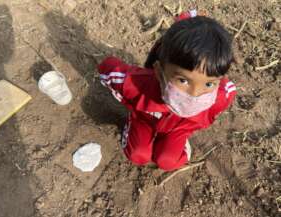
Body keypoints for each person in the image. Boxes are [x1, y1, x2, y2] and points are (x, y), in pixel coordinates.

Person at [97, 10, 236, 171]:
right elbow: (109, 69)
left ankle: (179, 144)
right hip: (144, 120)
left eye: (209, 84)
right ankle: (132, 123)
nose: (195, 94)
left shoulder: (221, 96)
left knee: (168, 160)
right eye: (183, 81)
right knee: (137, 154)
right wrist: (104, 74)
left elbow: (229, 90)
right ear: (158, 71)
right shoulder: (138, 85)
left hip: (180, 129)